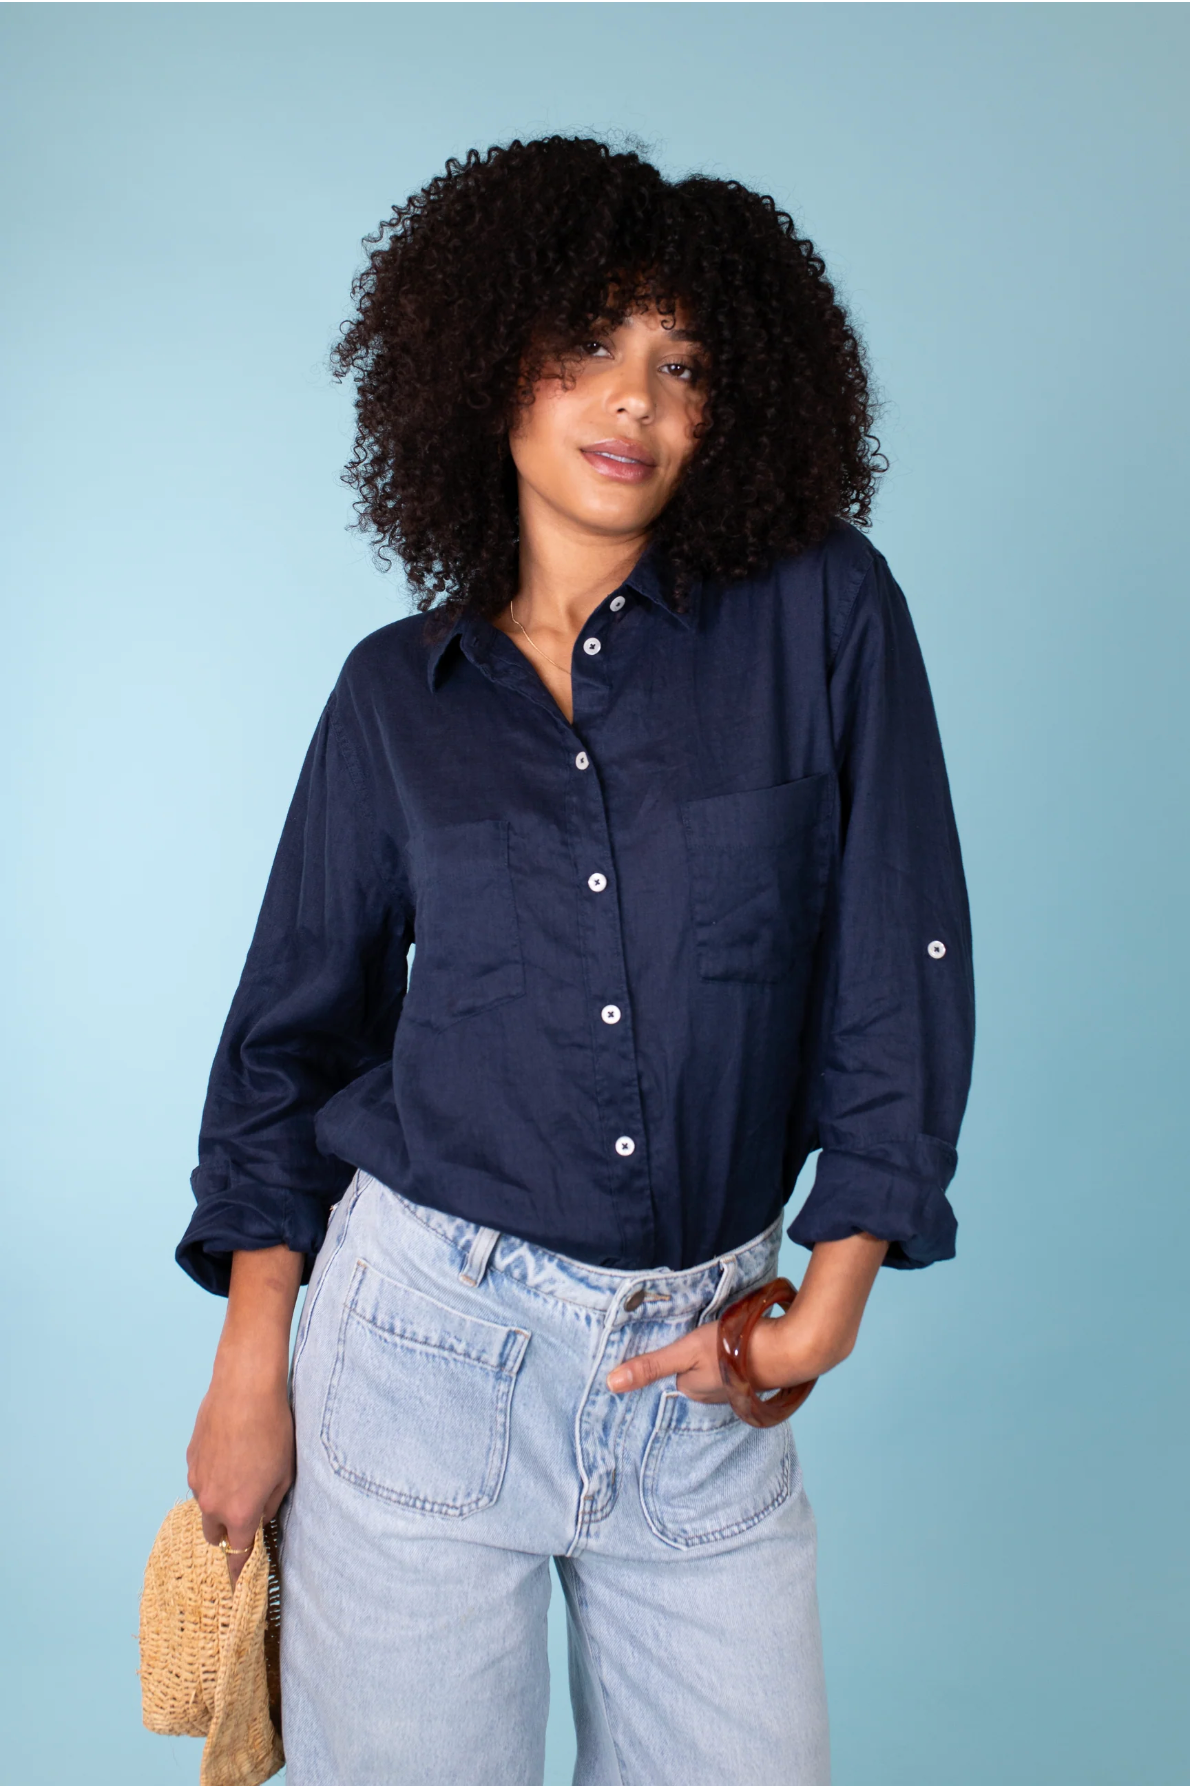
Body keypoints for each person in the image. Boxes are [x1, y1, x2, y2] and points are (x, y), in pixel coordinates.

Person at [180, 134, 975, 1785]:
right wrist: (251, 1369)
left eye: (683, 365)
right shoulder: (394, 698)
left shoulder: (822, 614)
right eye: (591, 345)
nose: (636, 402)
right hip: (420, 1352)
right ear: (485, 367)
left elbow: (896, 961)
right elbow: (288, 1045)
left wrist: (822, 1304)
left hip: (705, 1379)